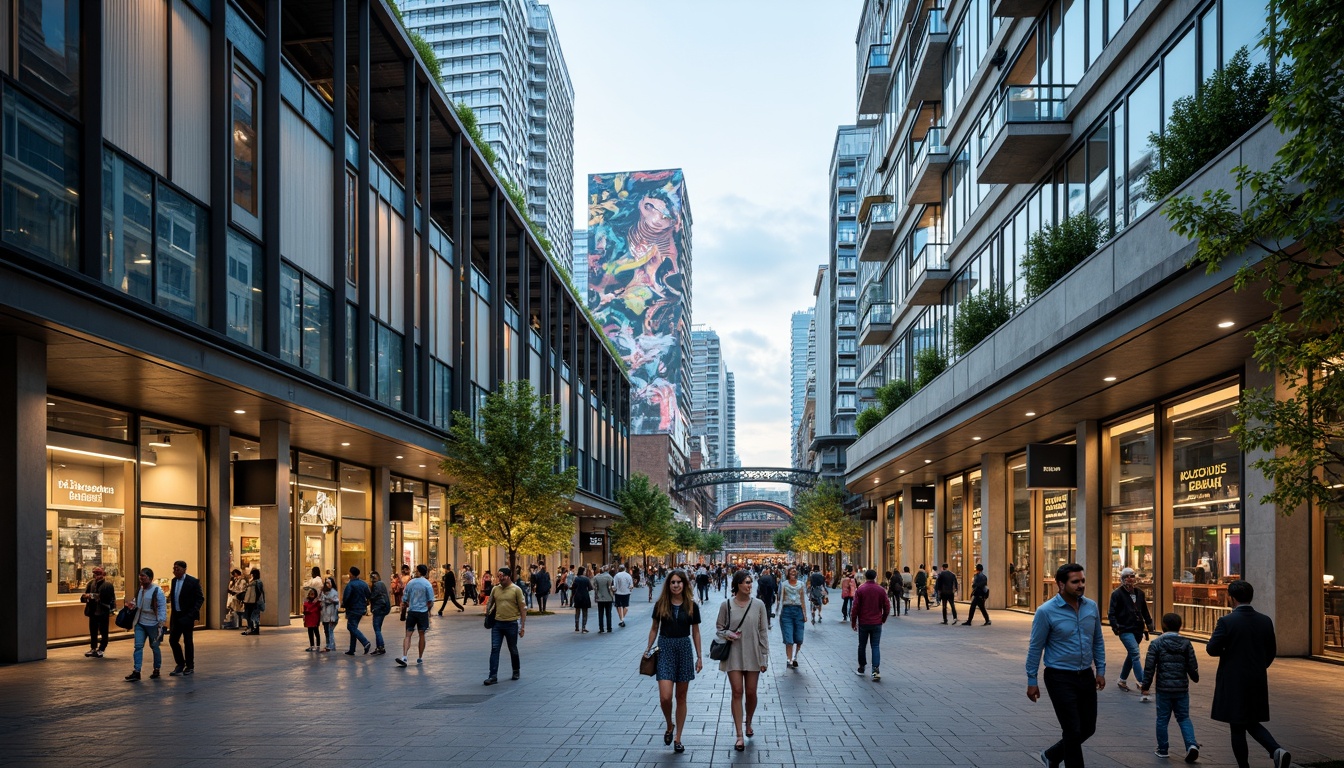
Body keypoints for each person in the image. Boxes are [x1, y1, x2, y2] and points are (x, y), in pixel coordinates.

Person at [1026, 563, 1107, 768]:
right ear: (1060, 584)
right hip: (1059, 677)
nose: (1081, 585)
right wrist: (1032, 680)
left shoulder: (1091, 606)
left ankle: (1052, 755)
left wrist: (1101, 670)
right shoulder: (1046, 611)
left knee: (1088, 727)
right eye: (1075, 581)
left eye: (1082, 580)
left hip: (1085, 675)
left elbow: (1097, 639)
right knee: (1072, 729)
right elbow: (1036, 647)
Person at [1206, 580, 1291, 768]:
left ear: (1232, 598)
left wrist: (1229, 650)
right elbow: (1271, 651)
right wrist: (1259, 666)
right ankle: (1276, 751)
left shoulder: (1226, 621)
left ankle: (1246, 764)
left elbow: (1212, 649)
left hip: (1233, 679)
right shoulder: (1265, 620)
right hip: (1256, 677)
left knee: (1237, 725)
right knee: (1250, 720)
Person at [645, 569, 703, 754]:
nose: (676, 585)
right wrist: (648, 648)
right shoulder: (661, 604)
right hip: (665, 648)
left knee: (681, 697)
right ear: (668, 585)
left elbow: (696, 632)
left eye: (679, 582)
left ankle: (678, 737)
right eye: (673, 582)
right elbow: (654, 628)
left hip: (684, 649)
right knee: (665, 697)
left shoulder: (692, 606)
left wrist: (700, 656)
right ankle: (669, 724)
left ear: (684, 585)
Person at [717, 570, 769, 752]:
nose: (750, 585)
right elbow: (719, 628)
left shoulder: (759, 604)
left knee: (751, 693)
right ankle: (739, 734)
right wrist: (727, 634)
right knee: (737, 691)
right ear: (738, 584)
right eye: (746, 582)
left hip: (753, 653)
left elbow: (763, 631)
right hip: (734, 654)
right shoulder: (726, 605)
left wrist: (764, 656)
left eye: (750, 582)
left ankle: (749, 721)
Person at [1140, 612, 1201, 761]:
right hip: (1181, 688)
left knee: (1162, 719)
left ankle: (1163, 749)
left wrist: (1145, 685)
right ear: (1180, 626)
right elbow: (1192, 664)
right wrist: (1195, 677)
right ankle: (1191, 745)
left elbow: (1149, 667)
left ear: (1163, 626)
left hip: (1163, 688)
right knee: (1184, 718)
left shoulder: (1156, 643)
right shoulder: (1186, 643)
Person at [1108, 567, 1156, 700]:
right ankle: (1142, 682)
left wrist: (1149, 622)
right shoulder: (1117, 594)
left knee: (1131, 654)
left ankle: (1122, 679)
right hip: (1124, 629)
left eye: (1132, 576)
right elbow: (1111, 613)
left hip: (1137, 629)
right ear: (1122, 579)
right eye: (1127, 576)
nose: (1130, 579)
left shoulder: (1140, 593)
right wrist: (1115, 627)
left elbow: (1144, 610)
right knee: (1135, 653)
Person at [483, 567, 526, 685]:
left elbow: (523, 608)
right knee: (495, 649)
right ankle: (492, 676)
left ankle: (516, 670)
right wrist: (487, 613)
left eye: (502, 576)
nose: (500, 578)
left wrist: (522, 626)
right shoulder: (495, 589)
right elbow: (490, 603)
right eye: (498, 576)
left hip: (511, 623)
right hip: (497, 624)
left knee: (512, 648)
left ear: (508, 576)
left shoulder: (516, 590)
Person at [124, 567, 167, 681]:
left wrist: (161, 622)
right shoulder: (140, 590)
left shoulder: (157, 591)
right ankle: (136, 671)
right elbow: (137, 603)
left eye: (144, 576)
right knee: (138, 646)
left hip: (153, 624)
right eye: (140, 576)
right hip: (140, 622)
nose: (141, 579)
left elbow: (162, 607)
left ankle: (156, 668)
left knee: (154, 646)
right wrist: (132, 605)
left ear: (150, 578)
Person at [167, 560, 204, 676]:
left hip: (187, 616)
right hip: (176, 616)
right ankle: (180, 663)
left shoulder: (192, 582)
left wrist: (192, 613)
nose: (175, 571)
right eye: (174, 569)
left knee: (188, 641)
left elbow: (200, 598)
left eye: (177, 569)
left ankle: (189, 665)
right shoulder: (173, 581)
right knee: (173, 640)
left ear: (184, 569)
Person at [852, 568, 889, 681]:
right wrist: (883, 618)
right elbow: (887, 606)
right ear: (875, 576)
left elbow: (855, 608)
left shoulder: (861, 589)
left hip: (863, 622)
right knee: (875, 646)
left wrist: (853, 622)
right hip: (877, 622)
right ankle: (875, 670)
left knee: (862, 645)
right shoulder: (881, 590)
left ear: (865, 577)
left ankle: (861, 668)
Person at [397, 564, 435, 667]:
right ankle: (420, 657)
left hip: (412, 611)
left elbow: (405, 598)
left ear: (418, 572)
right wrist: (428, 611)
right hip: (422, 612)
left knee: (408, 634)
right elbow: (431, 601)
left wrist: (404, 605)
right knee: (422, 634)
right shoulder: (427, 584)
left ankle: (404, 656)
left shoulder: (411, 583)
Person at [776, 566, 808, 668]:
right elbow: (780, 598)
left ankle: (795, 657)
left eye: (795, 572)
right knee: (788, 638)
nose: (793, 573)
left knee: (799, 638)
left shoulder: (801, 584)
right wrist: (779, 612)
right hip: (787, 611)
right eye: (791, 572)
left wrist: (805, 614)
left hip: (798, 611)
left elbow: (802, 599)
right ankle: (789, 659)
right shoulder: (784, 584)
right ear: (788, 574)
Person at [81, 566, 116, 658]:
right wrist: (85, 597)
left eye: (99, 574)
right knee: (93, 631)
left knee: (104, 631)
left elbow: (106, 598)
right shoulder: (91, 584)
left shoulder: (107, 585)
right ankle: (93, 648)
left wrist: (91, 596)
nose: (97, 576)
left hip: (103, 611)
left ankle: (101, 649)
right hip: (92, 611)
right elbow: (85, 595)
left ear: (103, 575)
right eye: (95, 574)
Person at [341, 566, 372, 655]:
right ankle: (352, 649)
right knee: (353, 627)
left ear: (351, 574)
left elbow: (346, 597)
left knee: (351, 627)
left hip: (353, 608)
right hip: (361, 608)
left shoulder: (350, 585)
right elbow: (369, 595)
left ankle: (365, 642)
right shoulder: (363, 584)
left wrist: (344, 605)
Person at [369, 570, 391, 655]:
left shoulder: (377, 585)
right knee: (378, 628)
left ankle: (381, 646)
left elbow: (373, 596)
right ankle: (379, 646)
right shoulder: (382, 584)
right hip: (383, 608)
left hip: (378, 608)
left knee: (377, 628)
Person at [593, 564, 616, 633]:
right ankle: (609, 628)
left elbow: (595, 587)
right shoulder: (610, 577)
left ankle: (601, 628)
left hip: (600, 598)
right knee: (608, 613)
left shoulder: (596, 577)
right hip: (608, 597)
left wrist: (596, 595)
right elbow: (612, 587)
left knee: (600, 613)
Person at [241, 568, 264, 635]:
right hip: (248, 601)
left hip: (253, 602)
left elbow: (259, 593)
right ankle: (250, 628)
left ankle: (254, 629)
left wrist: (256, 601)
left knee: (254, 616)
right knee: (248, 616)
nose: (251, 575)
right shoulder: (252, 581)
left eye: (252, 574)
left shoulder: (258, 582)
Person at [320, 576, 340, 652]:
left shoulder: (334, 592)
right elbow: (321, 601)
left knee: (330, 630)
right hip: (325, 614)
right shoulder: (323, 592)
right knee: (326, 630)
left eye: (329, 583)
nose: (327, 584)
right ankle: (329, 644)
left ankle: (330, 645)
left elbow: (336, 603)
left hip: (331, 614)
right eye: (326, 583)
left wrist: (330, 600)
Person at [571, 566, 593, 633]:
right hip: (585, 596)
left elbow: (573, 587)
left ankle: (576, 627)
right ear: (583, 571)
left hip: (577, 596)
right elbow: (590, 588)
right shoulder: (586, 579)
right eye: (585, 571)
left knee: (577, 612)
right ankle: (583, 627)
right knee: (585, 612)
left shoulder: (576, 579)